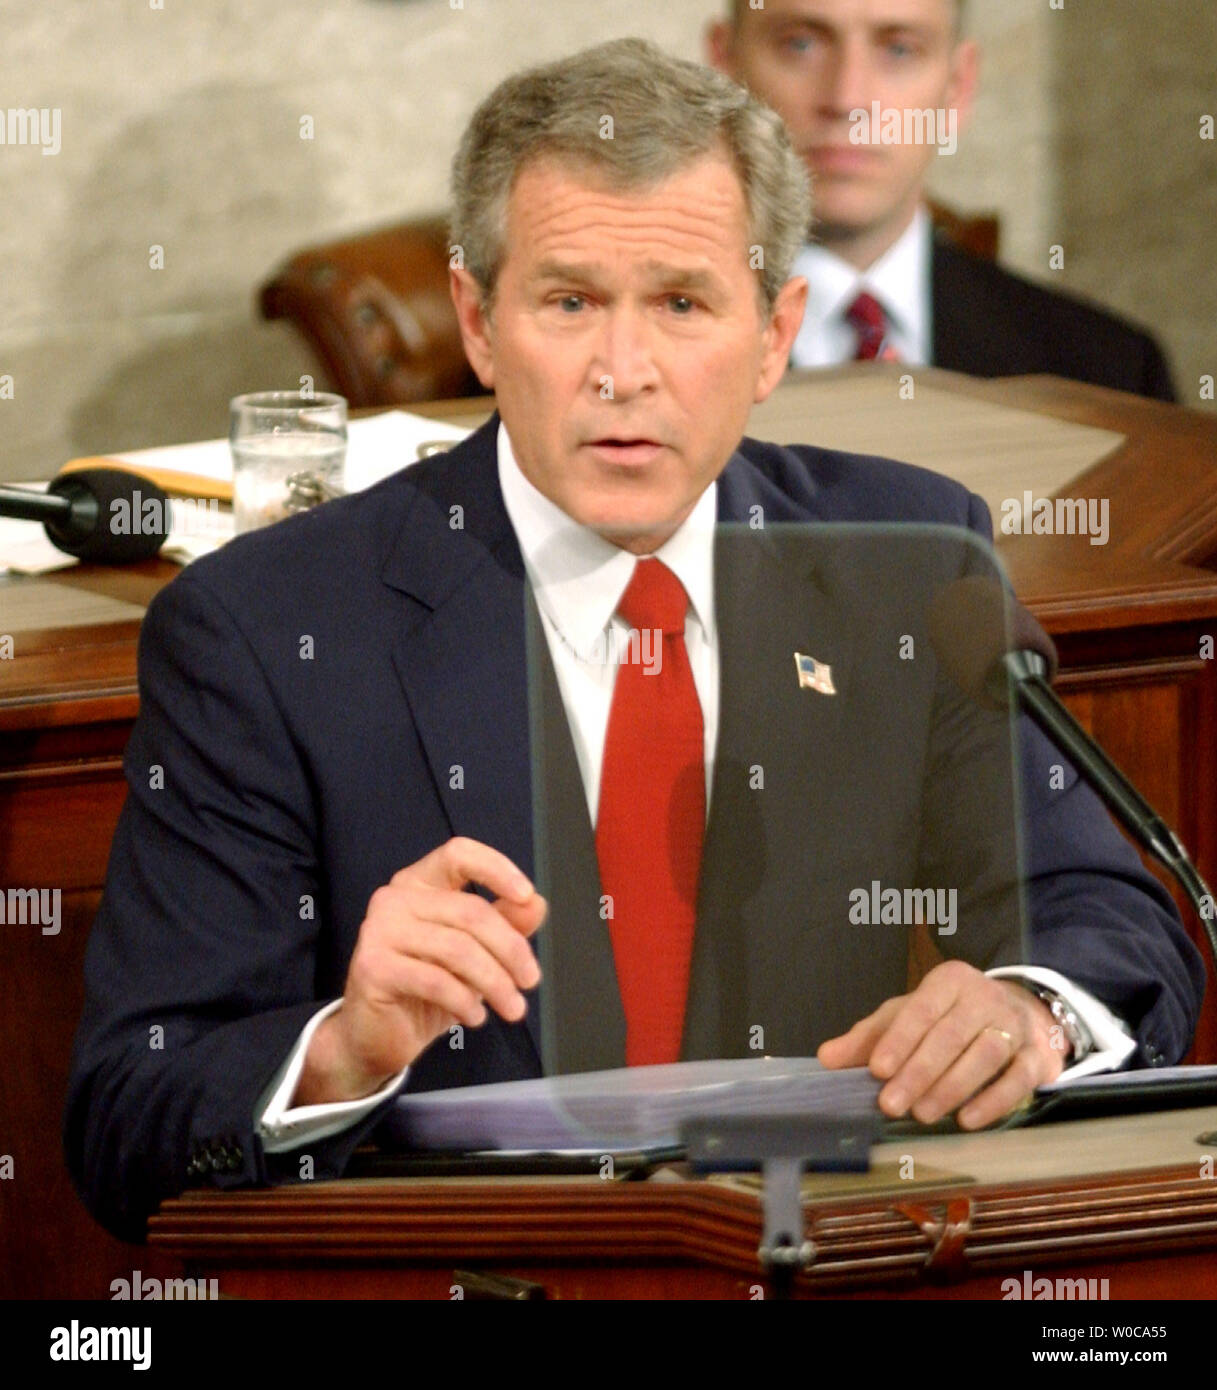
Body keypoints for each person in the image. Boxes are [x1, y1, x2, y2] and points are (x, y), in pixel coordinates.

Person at [66, 38, 1203, 1243]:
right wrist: (345, 1048)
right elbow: (128, 1115)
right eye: (568, 302)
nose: (623, 371)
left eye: (679, 303)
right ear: (478, 322)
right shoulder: (266, 628)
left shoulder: (912, 564)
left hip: (813, 1262)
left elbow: (1110, 920)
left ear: (773, 335)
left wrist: (1028, 1010)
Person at [706, 0, 1177, 399]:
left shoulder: (1108, 372)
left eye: (899, 48)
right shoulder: (643, 357)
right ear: (723, 67)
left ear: (958, 87)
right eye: (800, 44)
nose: (847, 98)